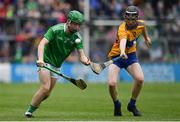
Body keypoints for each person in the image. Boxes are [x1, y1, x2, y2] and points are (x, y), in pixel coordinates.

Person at [24, 10, 90, 118]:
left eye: (79, 25)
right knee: (45, 87)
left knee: (47, 94)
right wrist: (40, 59)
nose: (78, 27)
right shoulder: (55, 30)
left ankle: (35, 103)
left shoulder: (77, 38)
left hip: (57, 65)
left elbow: (82, 56)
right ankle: (29, 112)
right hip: (45, 60)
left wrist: (86, 60)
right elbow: (41, 44)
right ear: (69, 22)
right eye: (75, 24)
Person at [107, 6, 151, 116]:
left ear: (137, 18)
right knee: (112, 84)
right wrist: (122, 51)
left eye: (133, 19)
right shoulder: (122, 28)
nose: (130, 21)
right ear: (125, 18)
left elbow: (143, 28)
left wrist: (146, 39)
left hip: (130, 56)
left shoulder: (141, 24)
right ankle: (117, 104)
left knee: (140, 79)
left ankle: (132, 104)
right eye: (128, 18)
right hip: (117, 57)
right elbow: (123, 40)